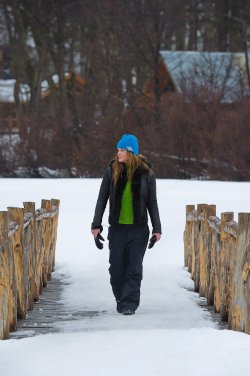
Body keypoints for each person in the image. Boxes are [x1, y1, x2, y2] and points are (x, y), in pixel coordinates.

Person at [91, 134, 162, 315]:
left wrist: (157, 228)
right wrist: (96, 224)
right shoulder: (111, 171)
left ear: (131, 152)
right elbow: (102, 198)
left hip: (139, 230)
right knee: (116, 268)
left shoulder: (147, 173)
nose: (118, 153)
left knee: (134, 268)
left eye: (122, 150)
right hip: (117, 229)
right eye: (118, 149)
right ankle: (121, 297)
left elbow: (152, 202)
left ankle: (129, 304)